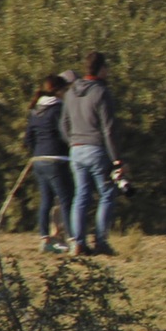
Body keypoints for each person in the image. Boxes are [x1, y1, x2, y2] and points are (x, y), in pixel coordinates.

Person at [61, 50, 126, 256]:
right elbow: (109, 128)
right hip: (96, 148)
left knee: (81, 196)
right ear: (102, 69)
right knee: (107, 193)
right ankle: (100, 240)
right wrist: (117, 159)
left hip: (76, 150)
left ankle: (77, 242)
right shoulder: (101, 92)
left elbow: (63, 124)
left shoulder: (71, 92)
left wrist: (73, 141)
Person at [24, 74, 74, 253]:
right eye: (65, 90)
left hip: (38, 160)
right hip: (57, 159)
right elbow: (65, 134)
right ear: (59, 91)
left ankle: (45, 239)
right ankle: (73, 238)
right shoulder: (59, 109)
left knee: (46, 199)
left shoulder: (35, 110)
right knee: (67, 199)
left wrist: (38, 151)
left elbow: (28, 138)